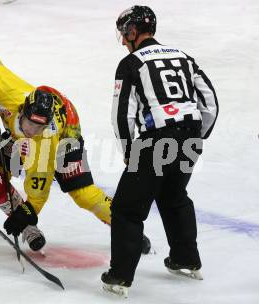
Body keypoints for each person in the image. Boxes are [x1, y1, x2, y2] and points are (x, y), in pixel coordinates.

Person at [0, 54, 152, 253]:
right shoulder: (8, 94)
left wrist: (27, 214)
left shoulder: (43, 142)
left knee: (83, 193)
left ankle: (128, 229)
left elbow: (38, 193)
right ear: (23, 109)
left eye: (39, 127)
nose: (32, 131)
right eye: (30, 124)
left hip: (66, 138)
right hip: (34, 127)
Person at [101, 5, 219, 298]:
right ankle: (186, 259)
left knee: (127, 208)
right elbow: (210, 103)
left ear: (132, 31)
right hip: (190, 137)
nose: (123, 39)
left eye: (124, 33)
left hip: (156, 140)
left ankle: (120, 277)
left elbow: (122, 115)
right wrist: (195, 137)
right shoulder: (184, 57)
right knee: (174, 196)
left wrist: (130, 151)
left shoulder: (131, 63)